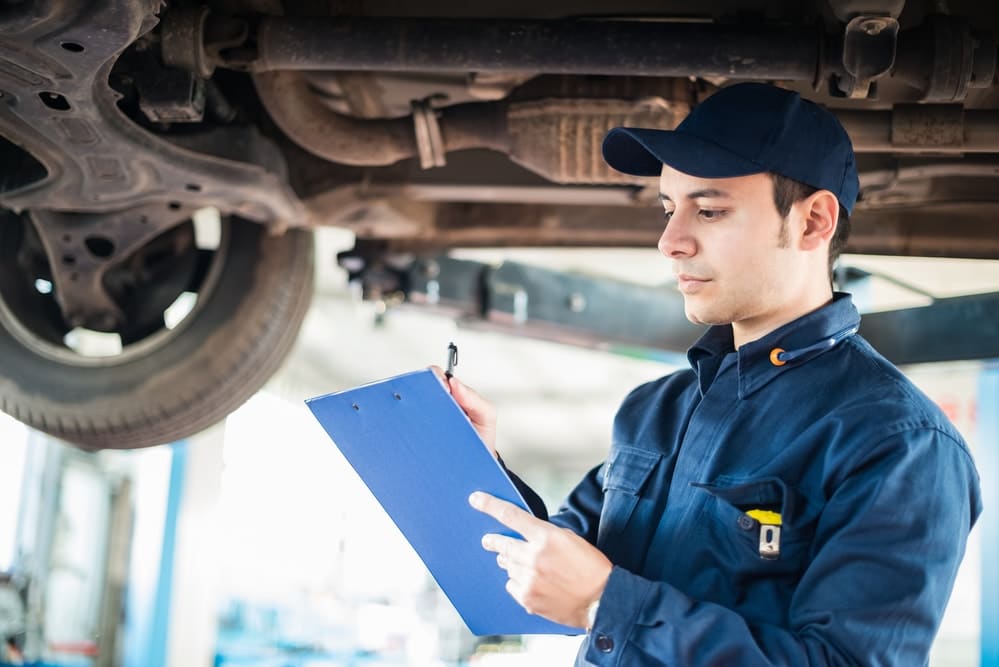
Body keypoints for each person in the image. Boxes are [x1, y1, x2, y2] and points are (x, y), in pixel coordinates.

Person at [437, 82, 983, 665]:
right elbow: (553, 567)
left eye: (710, 210)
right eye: (668, 209)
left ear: (813, 222)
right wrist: (478, 463)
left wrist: (607, 604)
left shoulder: (898, 444)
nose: (669, 242)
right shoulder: (655, 410)